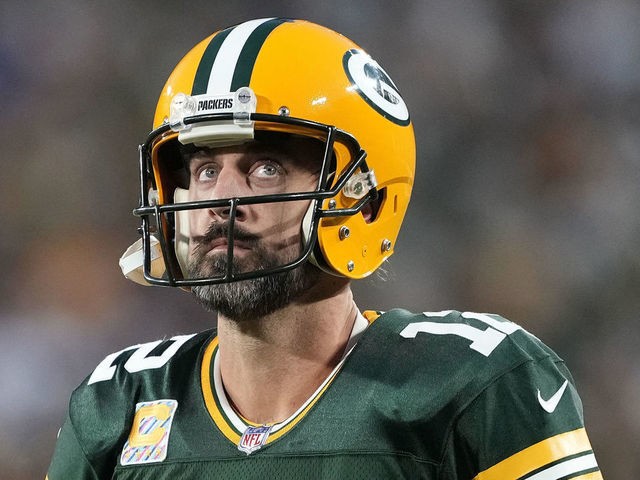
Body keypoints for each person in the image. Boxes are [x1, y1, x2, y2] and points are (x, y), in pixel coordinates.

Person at [47, 18, 602, 479]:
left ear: (362, 199)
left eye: (265, 169)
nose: (221, 199)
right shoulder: (117, 403)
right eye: (205, 169)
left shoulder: (476, 382)